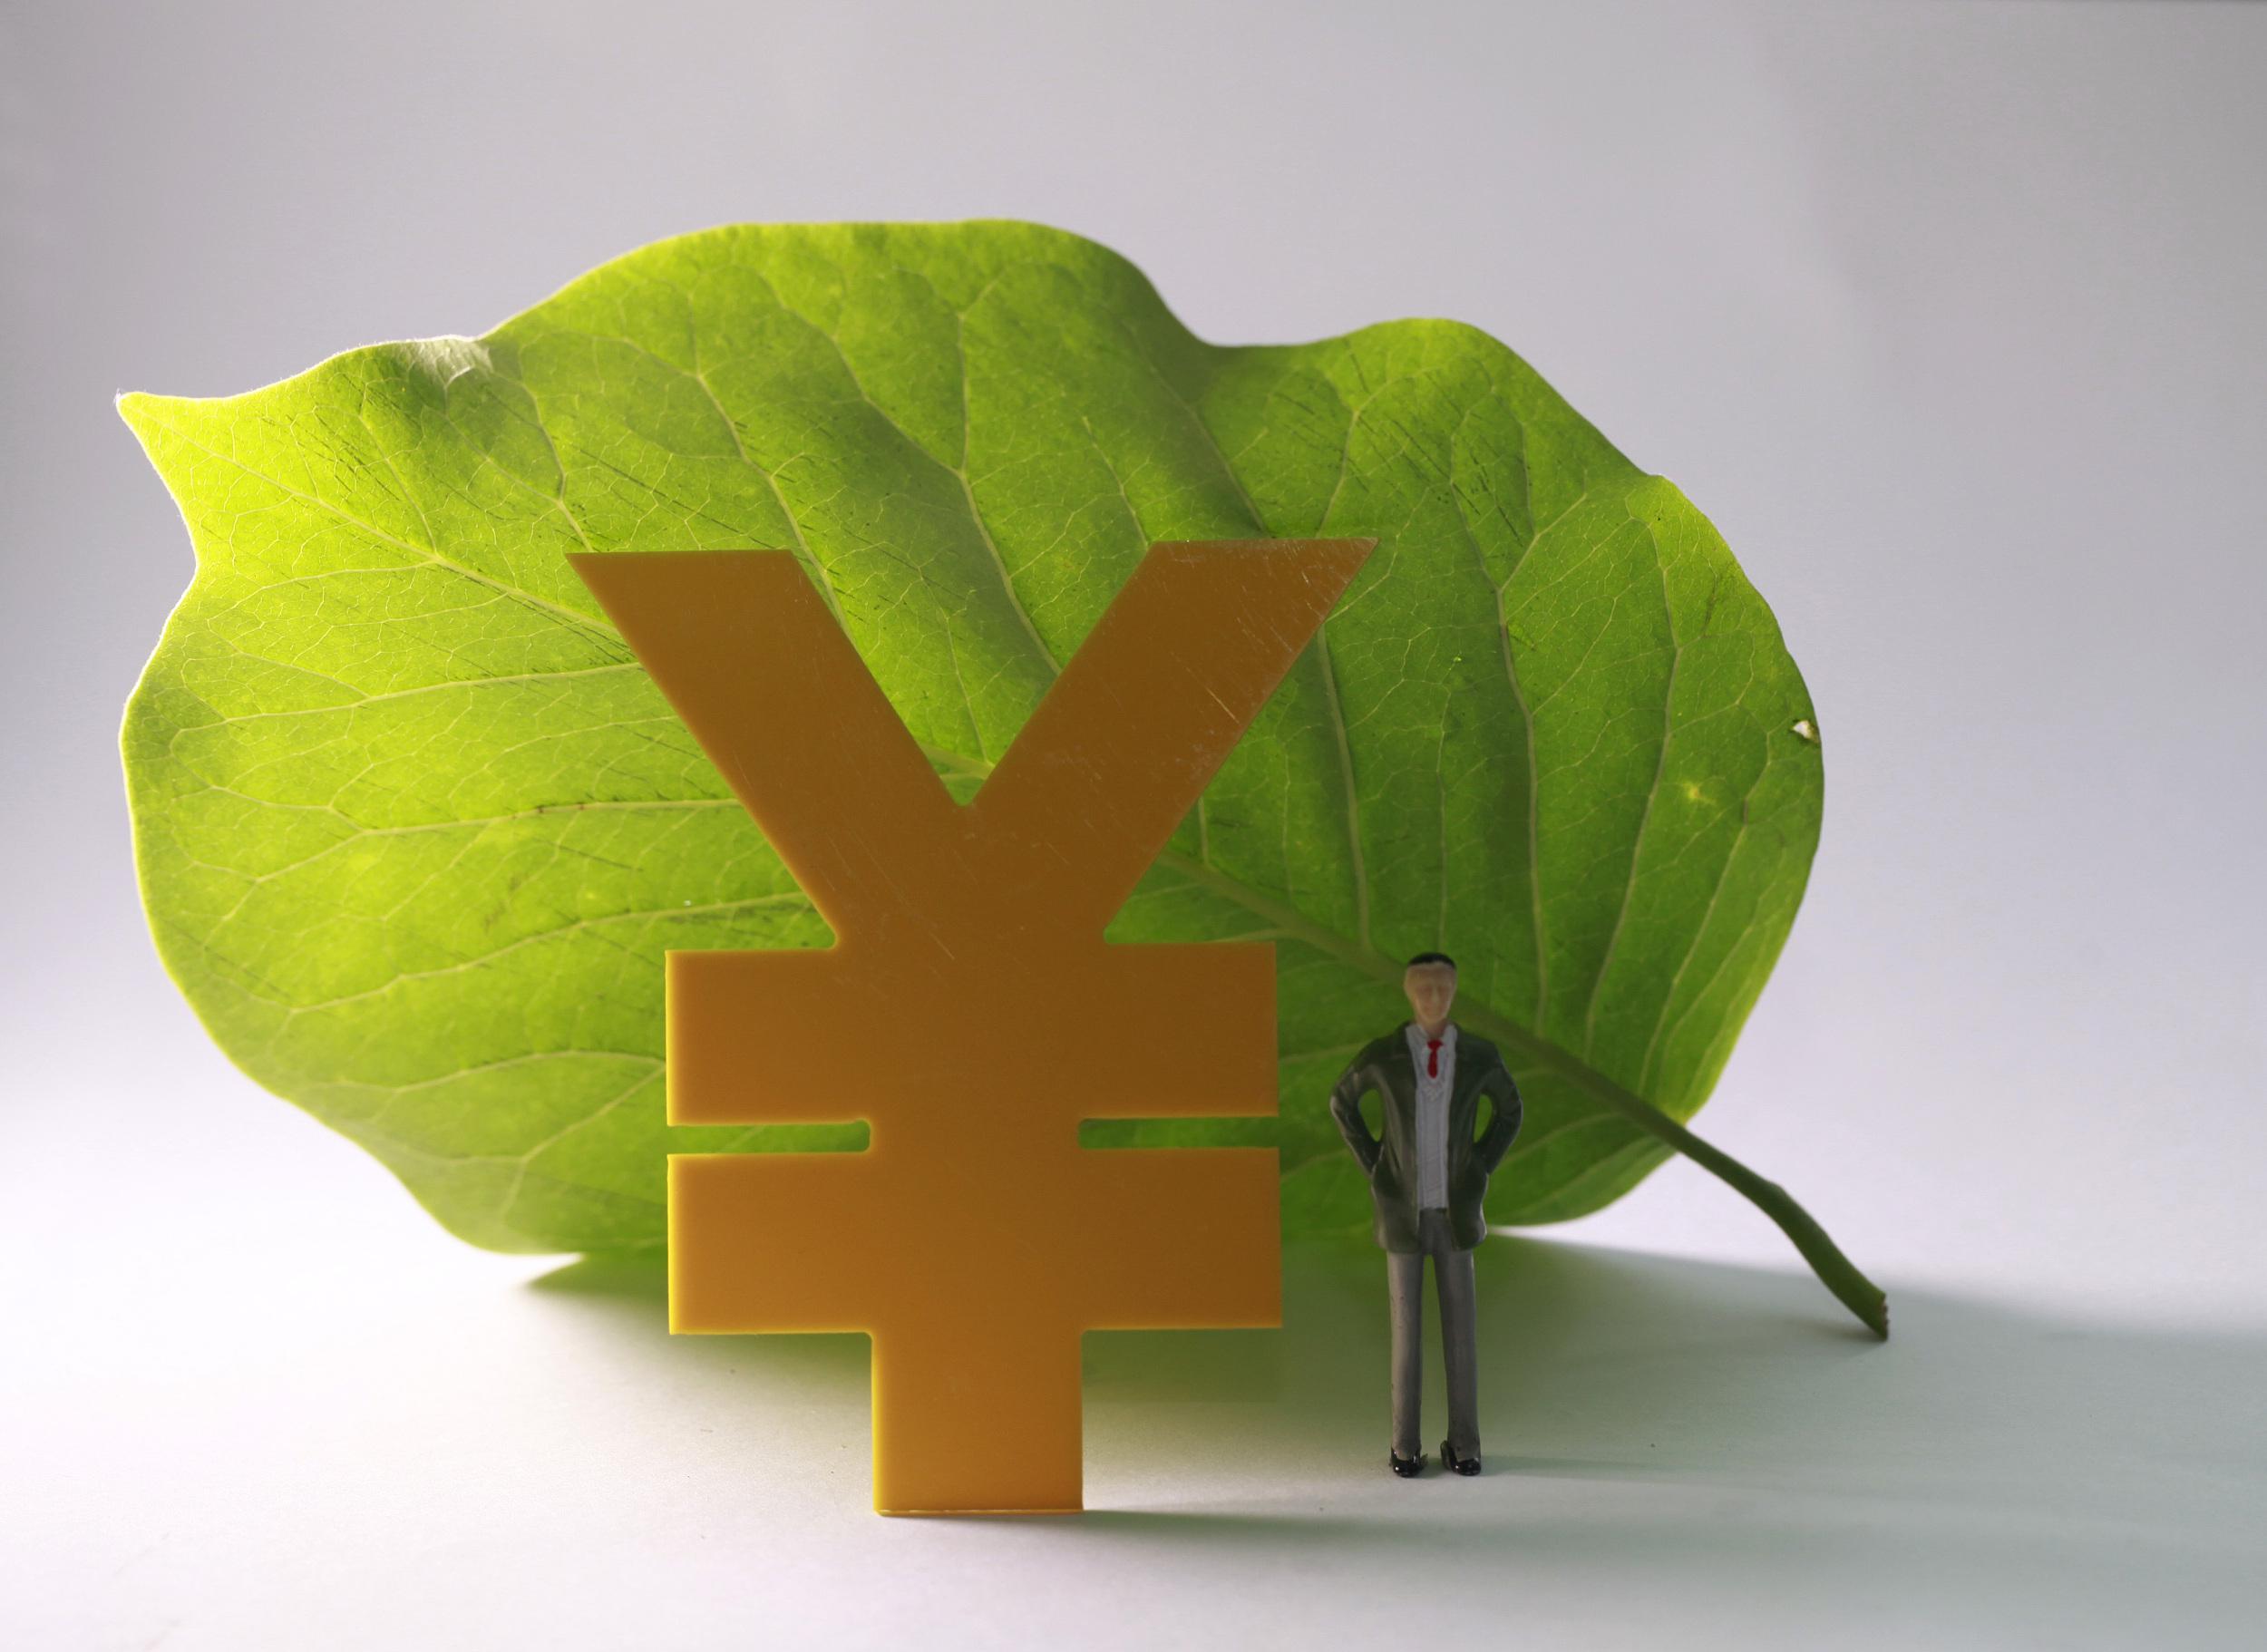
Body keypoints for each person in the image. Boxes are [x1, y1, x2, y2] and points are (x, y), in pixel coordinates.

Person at [1327, 952, 1523, 1478]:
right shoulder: (1385, 1055)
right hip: (1404, 1217)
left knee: (1462, 1337)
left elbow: (1510, 1110)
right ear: (1409, 993)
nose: (1433, 998)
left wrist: (1479, 1165)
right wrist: (1377, 1167)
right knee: (1405, 1336)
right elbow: (1342, 1102)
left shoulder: (1478, 1055)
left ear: (1454, 991)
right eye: (1424, 989)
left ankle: (1465, 1444)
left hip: (1456, 1214)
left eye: (1442, 989)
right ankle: (1404, 1445)